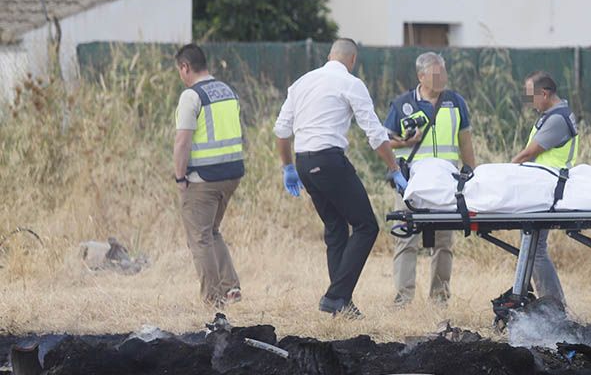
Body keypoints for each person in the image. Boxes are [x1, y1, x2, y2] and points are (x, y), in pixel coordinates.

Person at [273, 38, 406, 318]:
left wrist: (288, 167)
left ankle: (341, 305)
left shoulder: (302, 82)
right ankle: (335, 297)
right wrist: (394, 168)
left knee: (335, 228)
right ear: (352, 60)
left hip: (305, 162)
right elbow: (374, 133)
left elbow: (282, 131)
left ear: (329, 55)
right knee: (366, 226)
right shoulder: (351, 83)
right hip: (329, 160)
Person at [384, 52, 477, 306]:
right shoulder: (402, 104)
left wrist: (471, 172)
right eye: (435, 74)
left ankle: (440, 299)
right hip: (411, 184)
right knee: (405, 239)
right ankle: (403, 299)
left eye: (443, 73)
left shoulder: (456, 102)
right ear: (421, 76)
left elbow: (465, 141)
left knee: (444, 242)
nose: (441, 79)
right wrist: (406, 142)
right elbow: (383, 141)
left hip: (446, 184)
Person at [172, 43, 244, 307]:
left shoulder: (191, 96)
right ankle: (230, 287)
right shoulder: (228, 91)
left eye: (180, 70)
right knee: (212, 232)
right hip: (232, 174)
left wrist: (180, 178)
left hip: (203, 178)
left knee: (199, 237)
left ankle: (213, 300)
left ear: (185, 67)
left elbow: (182, 142)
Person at [511, 70, 579, 307]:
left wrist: (507, 169)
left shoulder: (557, 119)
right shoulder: (555, 115)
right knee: (533, 247)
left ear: (545, 93)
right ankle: (549, 302)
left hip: (546, 189)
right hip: (542, 187)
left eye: (532, 97)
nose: (530, 103)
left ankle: (553, 304)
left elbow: (531, 152)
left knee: (535, 249)